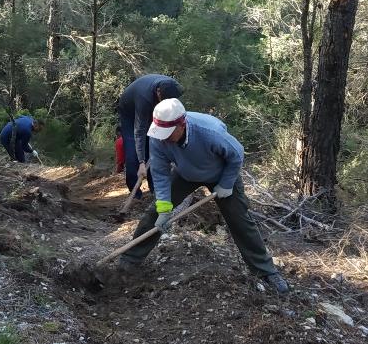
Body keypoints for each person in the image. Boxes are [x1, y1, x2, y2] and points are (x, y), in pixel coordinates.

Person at [119, 98, 290, 295]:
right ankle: (129, 261)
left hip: (220, 174)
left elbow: (236, 154)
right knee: (153, 215)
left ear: (182, 124)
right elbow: (159, 172)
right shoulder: (158, 136)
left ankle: (266, 271)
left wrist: (226, 183)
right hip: (185, 174)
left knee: (240, 220)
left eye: (168, 134)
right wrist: (164, 208)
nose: (164, 138)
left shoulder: (209, 132)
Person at [117, 74, 183, 199]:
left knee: (153, 147)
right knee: (133, 152)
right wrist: (142, 162)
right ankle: (135, 194)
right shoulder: (144, 98)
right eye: (161, 100)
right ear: (158, 92)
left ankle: (155, 189)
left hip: (152, 109)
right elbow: (139, 131)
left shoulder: (175, 88)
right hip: (129, 114)